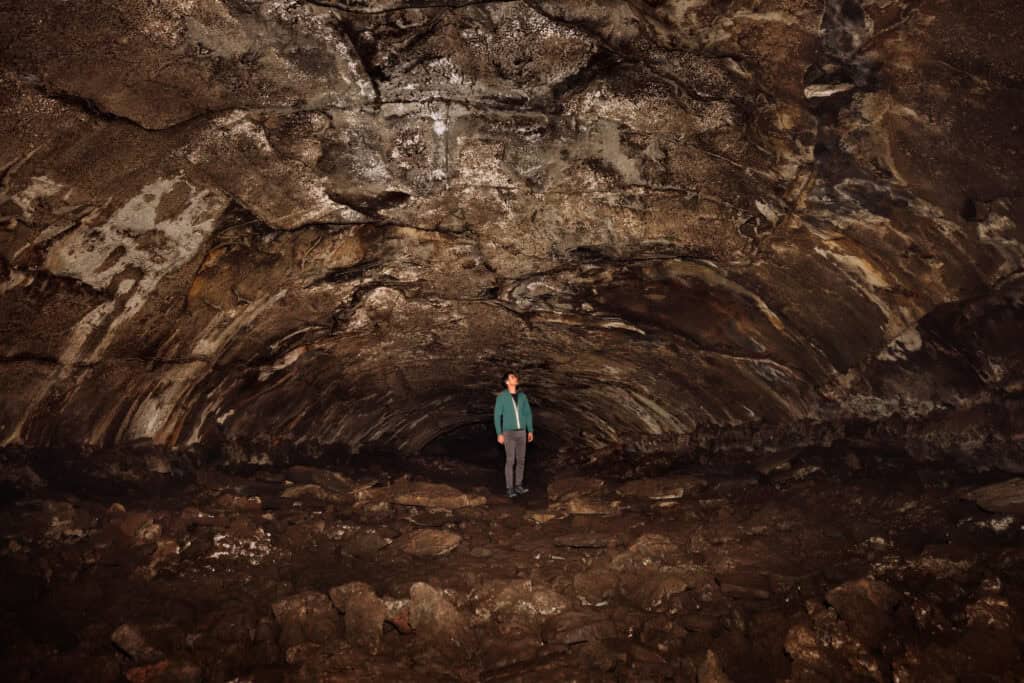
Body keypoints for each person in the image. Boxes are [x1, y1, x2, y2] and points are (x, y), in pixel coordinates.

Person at [493, 371, 534, 498]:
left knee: (521, 460)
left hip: (522, 432)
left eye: (515, 376)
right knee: (510, 460)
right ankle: (510, 488)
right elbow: (497, 415)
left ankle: (518, 486)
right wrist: (499, 433)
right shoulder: (502, 397)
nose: (516, 378)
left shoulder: (522, 396)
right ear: (507, 382)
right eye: (512, 377)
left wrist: (530, 430)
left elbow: (528, 413)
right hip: (508, 433)